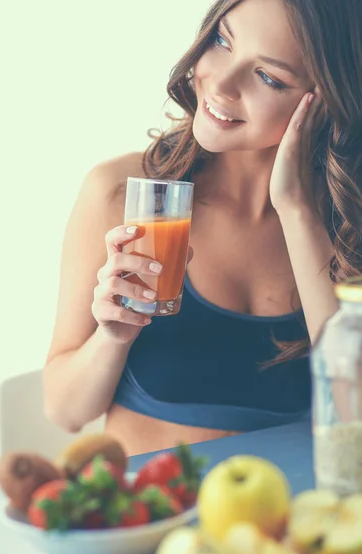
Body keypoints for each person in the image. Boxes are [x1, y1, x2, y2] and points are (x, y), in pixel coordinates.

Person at [43, 0, 362, 456]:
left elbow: (354, 413)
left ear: (327, 99)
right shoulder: (120, 193)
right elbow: (65, 411)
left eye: (268, 77)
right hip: (148, 515)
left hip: (284, 521)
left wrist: (295, 209)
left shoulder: (344, 222)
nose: (221, 83)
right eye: (221, 40)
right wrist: (113, 337)